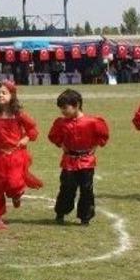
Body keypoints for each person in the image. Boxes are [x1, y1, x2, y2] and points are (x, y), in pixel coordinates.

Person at [0, 82, 42, 229]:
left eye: (4, 93)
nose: (0, 95)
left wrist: (25, 139)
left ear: (12, 95)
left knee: (14, 183)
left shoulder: (19, 114)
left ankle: (16, 194)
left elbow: (32, 129)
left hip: (16, 154)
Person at [48, 89, 109, 226]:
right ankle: (61, 212)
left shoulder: (92, 122)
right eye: (61, 108)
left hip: (87, 161)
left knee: (86, 189)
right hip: (69, 160)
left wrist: (95, 146)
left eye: (65, 108)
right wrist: (61, 144)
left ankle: (85, 217)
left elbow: (102, 135)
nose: (63, 111)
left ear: (76, 105)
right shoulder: (61, 123)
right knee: (66, 187)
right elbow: (53, 136)